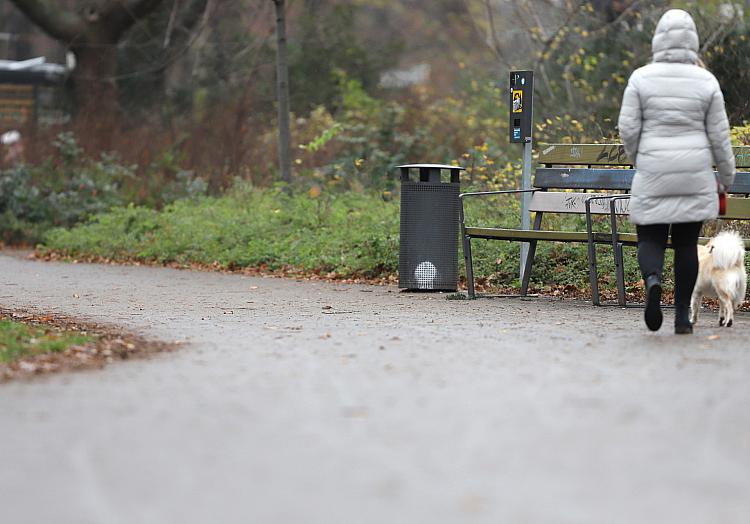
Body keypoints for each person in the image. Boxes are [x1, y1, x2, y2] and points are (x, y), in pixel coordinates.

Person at [618, 8, 736, 334]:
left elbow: (627, 128)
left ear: (658, 39)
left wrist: (638, 158)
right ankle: (682, 315)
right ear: (693, 42)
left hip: (653, 170)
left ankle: (653, 280)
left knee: (650, 237)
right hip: (694, 174)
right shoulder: (706, 81)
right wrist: (727, 177)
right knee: (686, 244)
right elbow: (720, 136)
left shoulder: (640, 78)